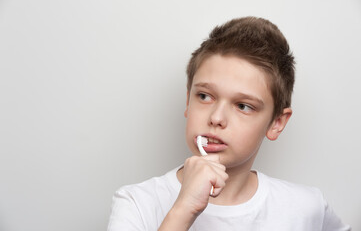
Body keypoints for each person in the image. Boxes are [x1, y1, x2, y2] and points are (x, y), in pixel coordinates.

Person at [107, 17, 351, 231]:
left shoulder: (306, 208)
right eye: (204, 96)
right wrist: (183, 210)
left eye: (243, 106)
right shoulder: (137, 203)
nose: (216, 118)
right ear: (187, 100)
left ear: (276, 123)